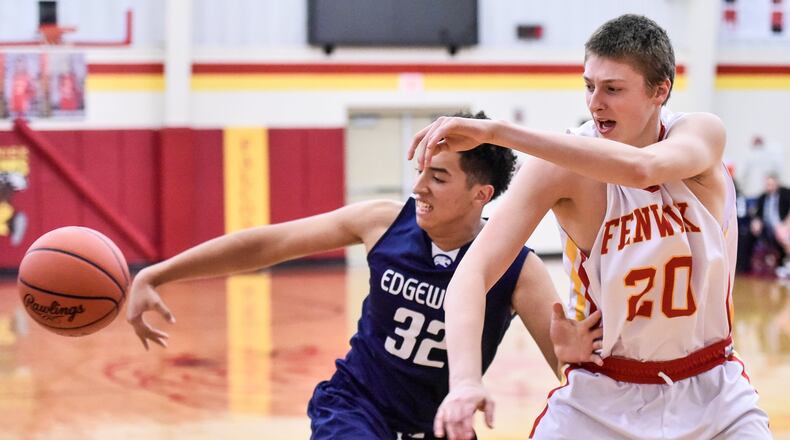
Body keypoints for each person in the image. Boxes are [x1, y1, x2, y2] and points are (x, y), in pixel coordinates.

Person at [126, 111, 602, 439]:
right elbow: (268, 243)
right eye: (419, 172)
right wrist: (159, 273)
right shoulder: (382, 222)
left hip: (440, 422)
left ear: (482, 194)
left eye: (438, 177)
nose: (418, 187)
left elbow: (569, 374)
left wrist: (573, 360)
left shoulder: (518, 267)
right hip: (355, 407)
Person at [410, 14, 771, 440]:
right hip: (603, 394)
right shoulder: (557, 168)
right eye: (589, 86)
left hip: (711, 389)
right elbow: (472, 273)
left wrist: (497, 132)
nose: (595, 102)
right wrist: (466, 380)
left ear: (660, 91)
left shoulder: (700, 135)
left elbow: (643, 169)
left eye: (613, 89)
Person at [751, 173, 790, 270]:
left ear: (777, 183)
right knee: (748, 233)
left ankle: (786, 261)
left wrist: (786, 223)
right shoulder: (763, 197)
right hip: (767, 227)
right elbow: (757, 214)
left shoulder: (785, 193)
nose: (769, 187)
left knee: (784, 235)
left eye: (771, 184)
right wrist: (756, 221)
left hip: (783, 225)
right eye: (767, 184)